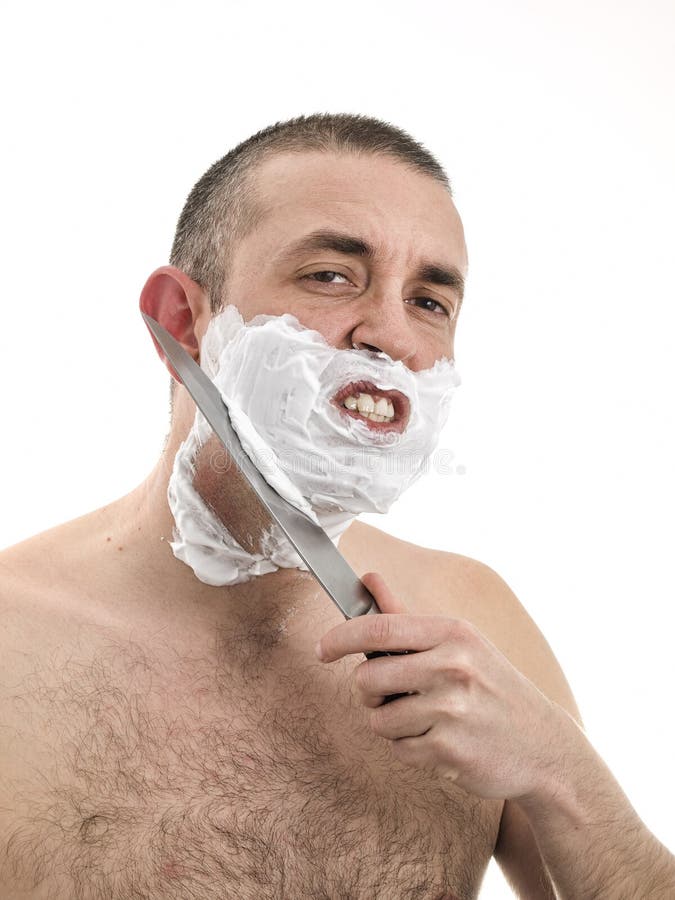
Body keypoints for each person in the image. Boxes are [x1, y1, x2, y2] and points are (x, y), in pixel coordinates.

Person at [0, 113, 672, 900]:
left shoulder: (474, 620)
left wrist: (560, 776)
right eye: (330, 276)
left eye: (429, 301)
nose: (391, 334)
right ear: (183, 320)